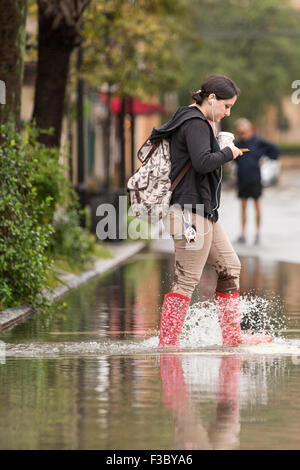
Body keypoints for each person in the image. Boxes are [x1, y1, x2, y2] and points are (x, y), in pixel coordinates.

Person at [149, 74, 272, 348]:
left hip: (203, 211)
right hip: (189, 212)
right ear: (212, 98)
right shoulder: (194, 123)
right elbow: (204, 163)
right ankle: (168, 341)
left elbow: (199, 161)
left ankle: (232, 337)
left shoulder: (195, 122)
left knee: (230, 266)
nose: (228, 113)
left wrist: (223, 150)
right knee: (187, 279)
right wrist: (230, 152)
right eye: (226, 106)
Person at [234, 118, 280, 245]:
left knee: (256, 206)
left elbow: (275, 149)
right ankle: (243, 233)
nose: (241, 135)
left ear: (249, 130)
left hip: (255, 179)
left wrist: (266, 158)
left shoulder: (258, 141)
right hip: (242, 178)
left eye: (243, 132)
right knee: (243, 206)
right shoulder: (237, 143)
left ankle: (257, 233)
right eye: (239, 133)